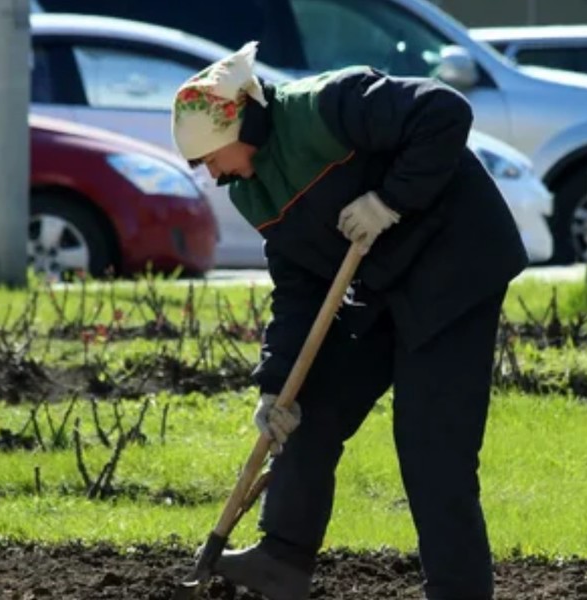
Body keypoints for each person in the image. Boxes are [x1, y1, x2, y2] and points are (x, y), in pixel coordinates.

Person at [171, 41, 529, 600]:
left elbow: (444, 111)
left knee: (432, 447)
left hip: (454, 271)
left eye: (210, 156)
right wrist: (274, 388)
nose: (211, 173)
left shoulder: (326, 105)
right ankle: (281, 559)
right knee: (306, 410)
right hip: (380, 288)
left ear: (239, 124)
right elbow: (297, 287)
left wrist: (389, 200)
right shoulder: (251, 188)